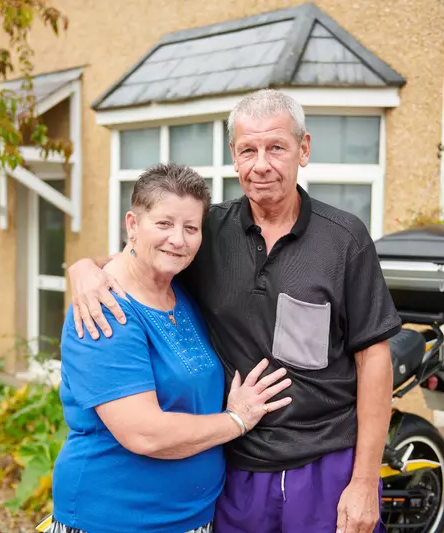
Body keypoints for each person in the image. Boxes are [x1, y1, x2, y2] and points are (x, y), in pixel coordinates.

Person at [69, 89, 401, 533]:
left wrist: (364, 480)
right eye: (248, 149)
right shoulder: (207, 232)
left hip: (326, 464)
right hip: (236, 469)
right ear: (234, 157)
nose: (261, 164)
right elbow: (140, 259)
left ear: (303, 149)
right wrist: (84, 269)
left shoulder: (345, 239)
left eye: (276, 147)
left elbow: (373, 358)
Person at [49, 162, 293, 533]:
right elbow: (145, 433)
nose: (178, 239)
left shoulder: (180, 293)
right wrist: (237, 420)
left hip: (191, 518)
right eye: (163, 224)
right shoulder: (104, 310)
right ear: (132, 225)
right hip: (116, 520)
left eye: (190, 228)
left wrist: (86, 264)